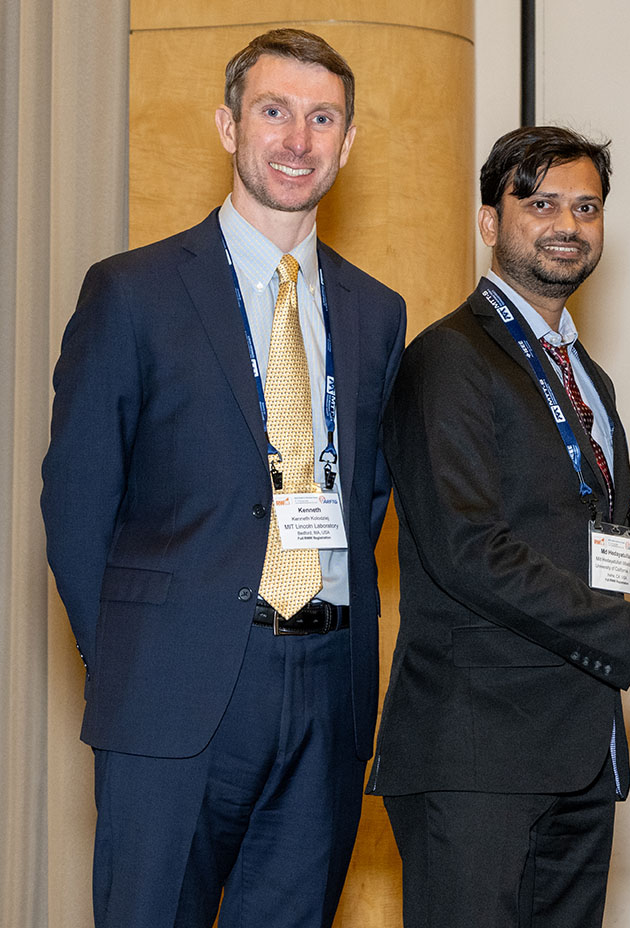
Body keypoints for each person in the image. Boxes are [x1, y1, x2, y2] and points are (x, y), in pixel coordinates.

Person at [41, 29, 405, 928]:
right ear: (226, 125)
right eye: (274, 112)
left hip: (328, 686)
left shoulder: (376, 311)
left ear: (348, 143)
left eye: (323, 119)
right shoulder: (132, 292)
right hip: (173, 689)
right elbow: (78, 503)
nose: (298, 140)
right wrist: (139, 662)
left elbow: (364, 500)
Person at [368, 125, 630, 928]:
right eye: (540, 202)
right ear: (489, 221)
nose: (567, 225)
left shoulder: (586, 376)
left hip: (578, 752)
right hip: (474, 753)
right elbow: (469, 551)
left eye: (586, 207)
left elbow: (571, 552)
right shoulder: (448, 358)